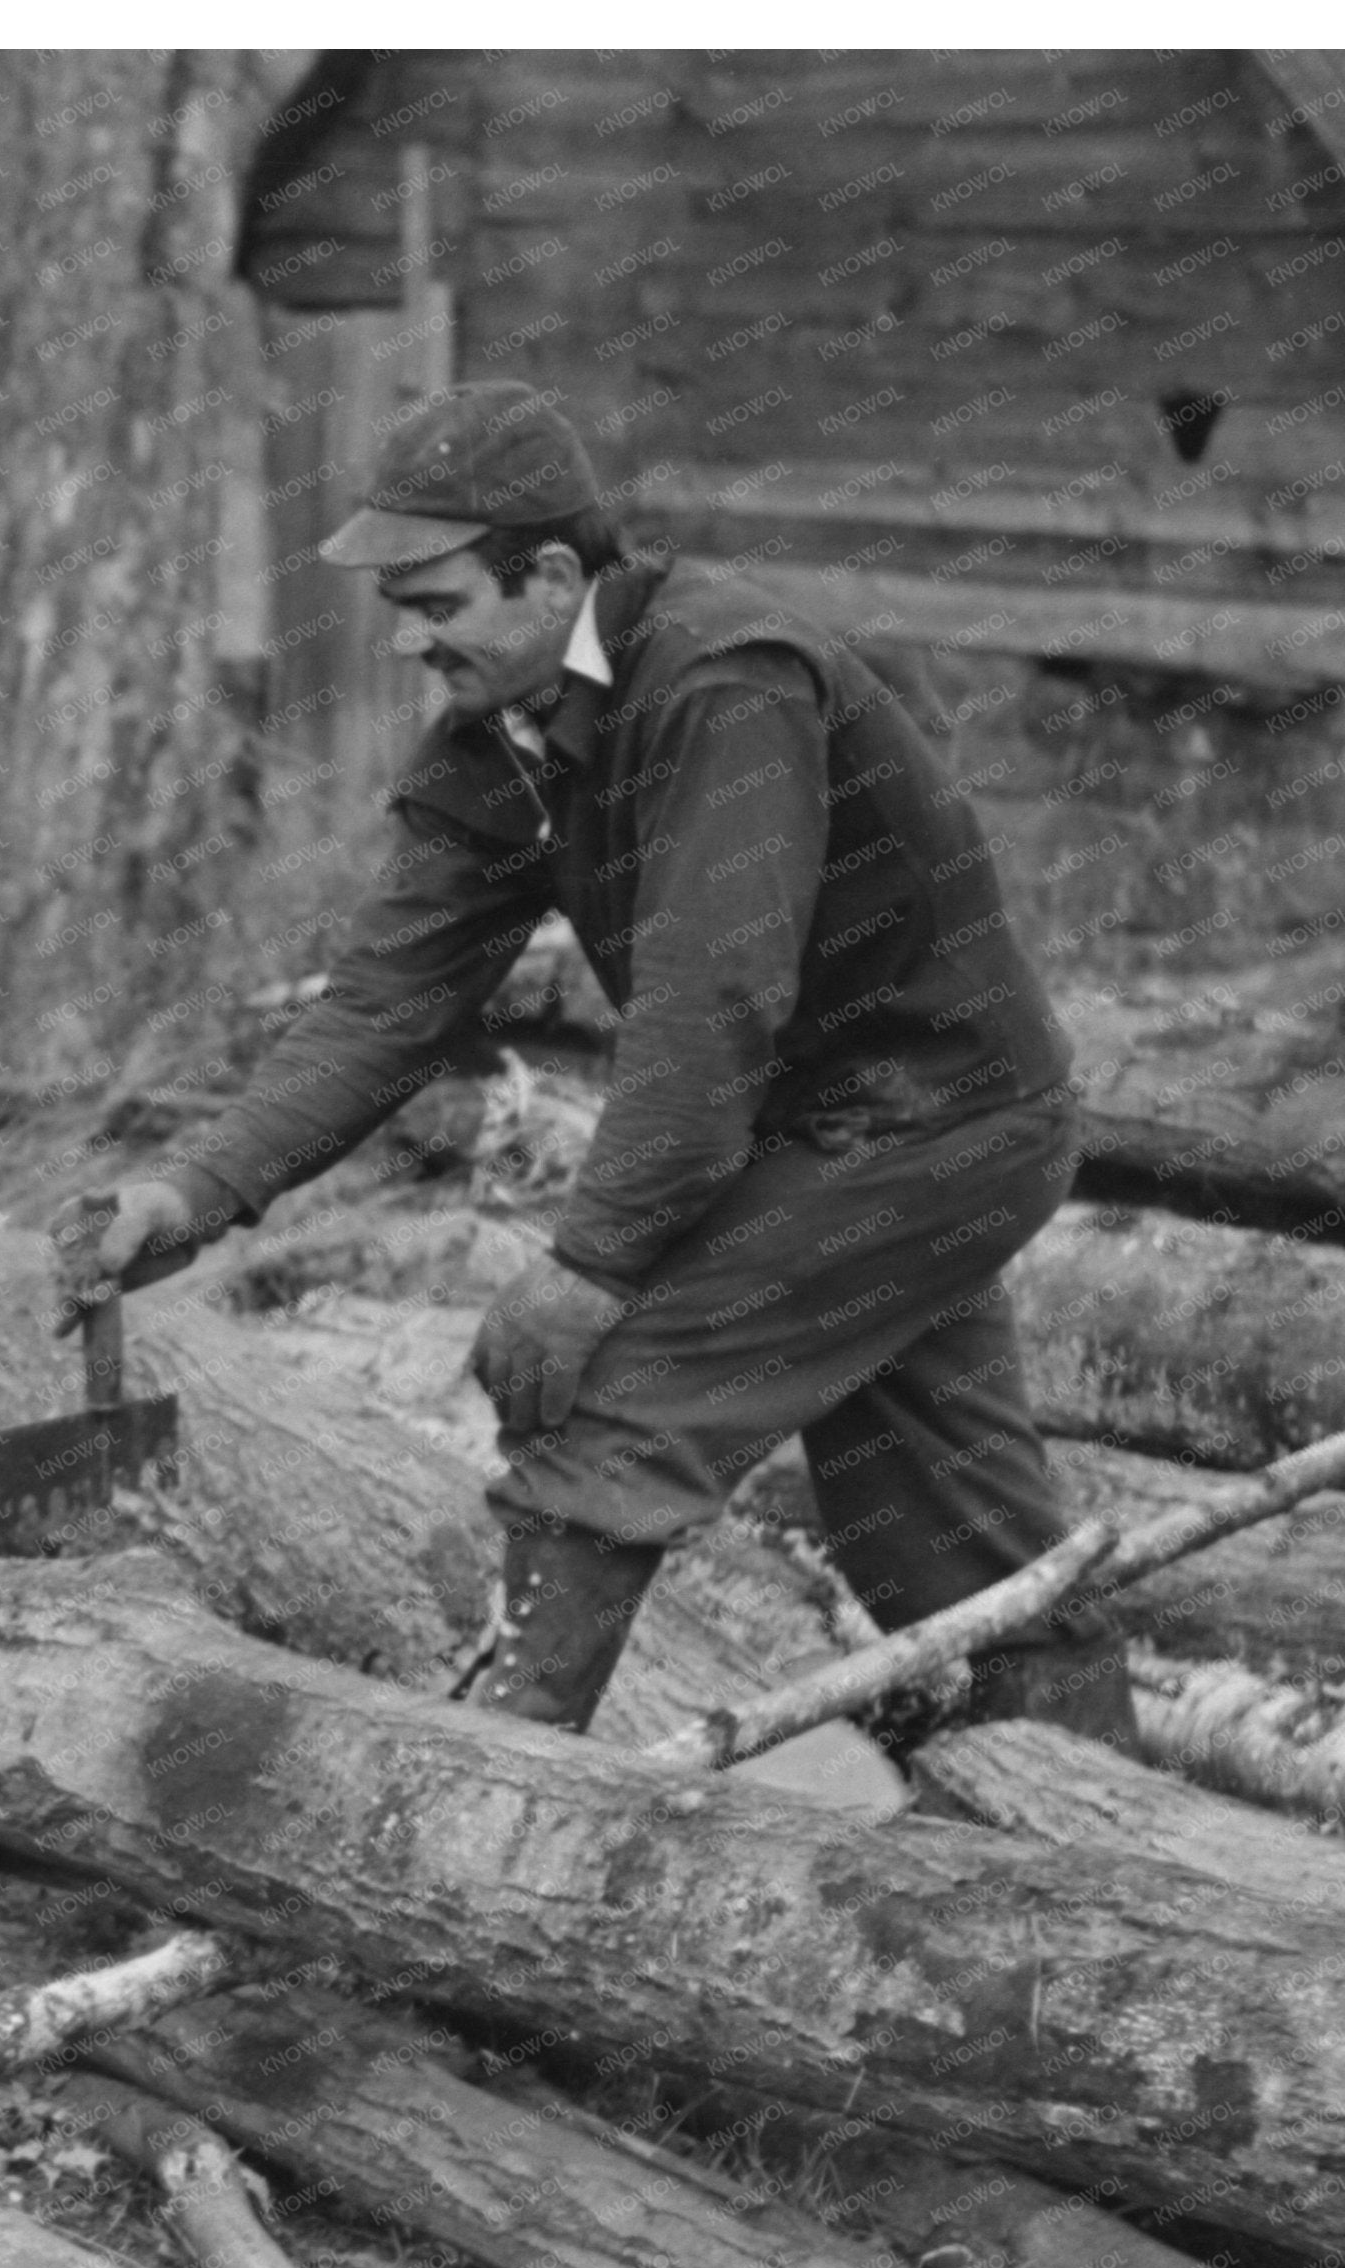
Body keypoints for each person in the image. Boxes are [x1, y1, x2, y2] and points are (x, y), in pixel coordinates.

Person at [59, 382, 1128, 1744]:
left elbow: (712, 1003)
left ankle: (489, 1792)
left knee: (607, 1406)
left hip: (933, 1124)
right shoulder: (506, 734)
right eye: (396, 605)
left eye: (434, 602)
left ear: (553, 574)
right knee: (949, 1524)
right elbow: (385, 1001)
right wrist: (193, 1187)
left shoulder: (725, 685)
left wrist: (591, 1265)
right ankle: (1091, 1805)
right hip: (824, 1132)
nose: (405, 640)